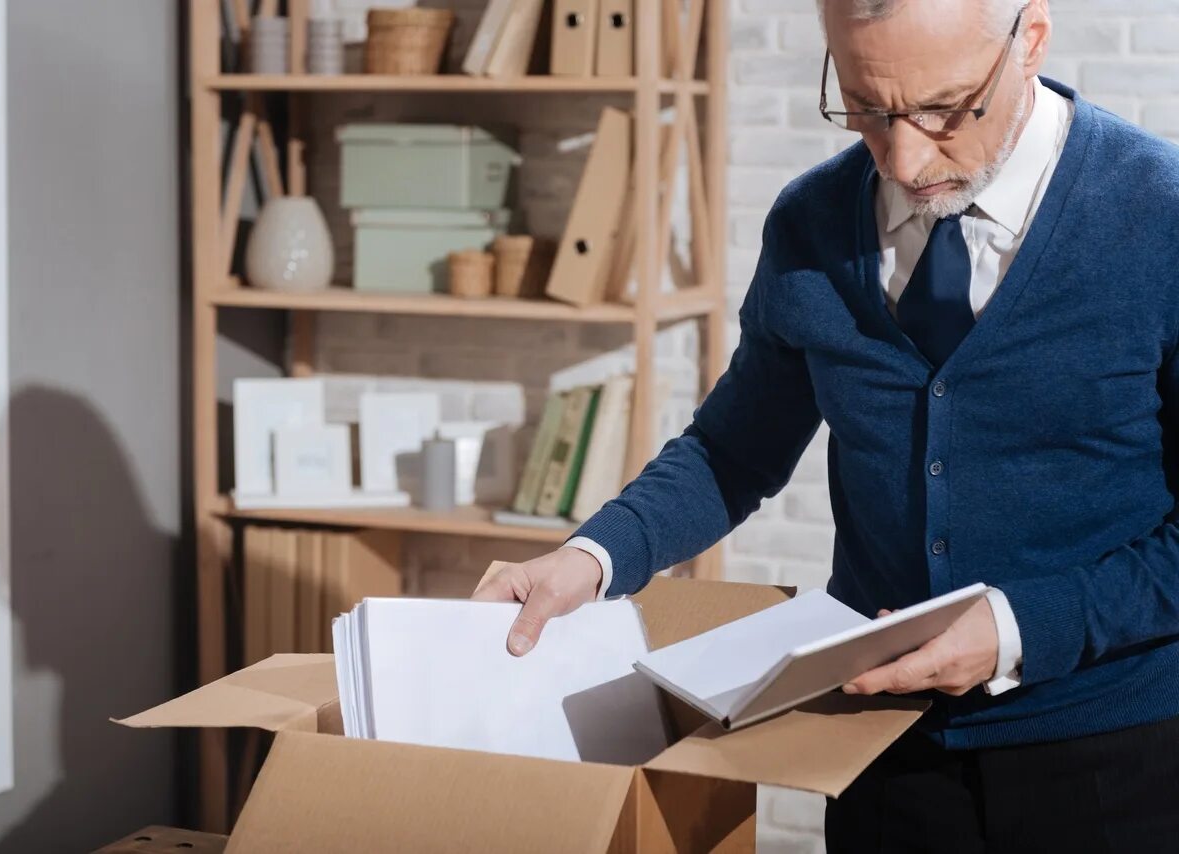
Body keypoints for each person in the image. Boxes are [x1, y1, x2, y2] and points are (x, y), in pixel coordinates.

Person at [473, 0, 1179, 850]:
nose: (907, 159)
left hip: (1116, 758)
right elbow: (732, 450)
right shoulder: (809, 224)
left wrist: (1019, 628)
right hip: (879, 755)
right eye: (867, 109)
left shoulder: (1158, 217)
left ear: (1030, 40)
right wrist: (593, 558)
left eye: (945, 109)